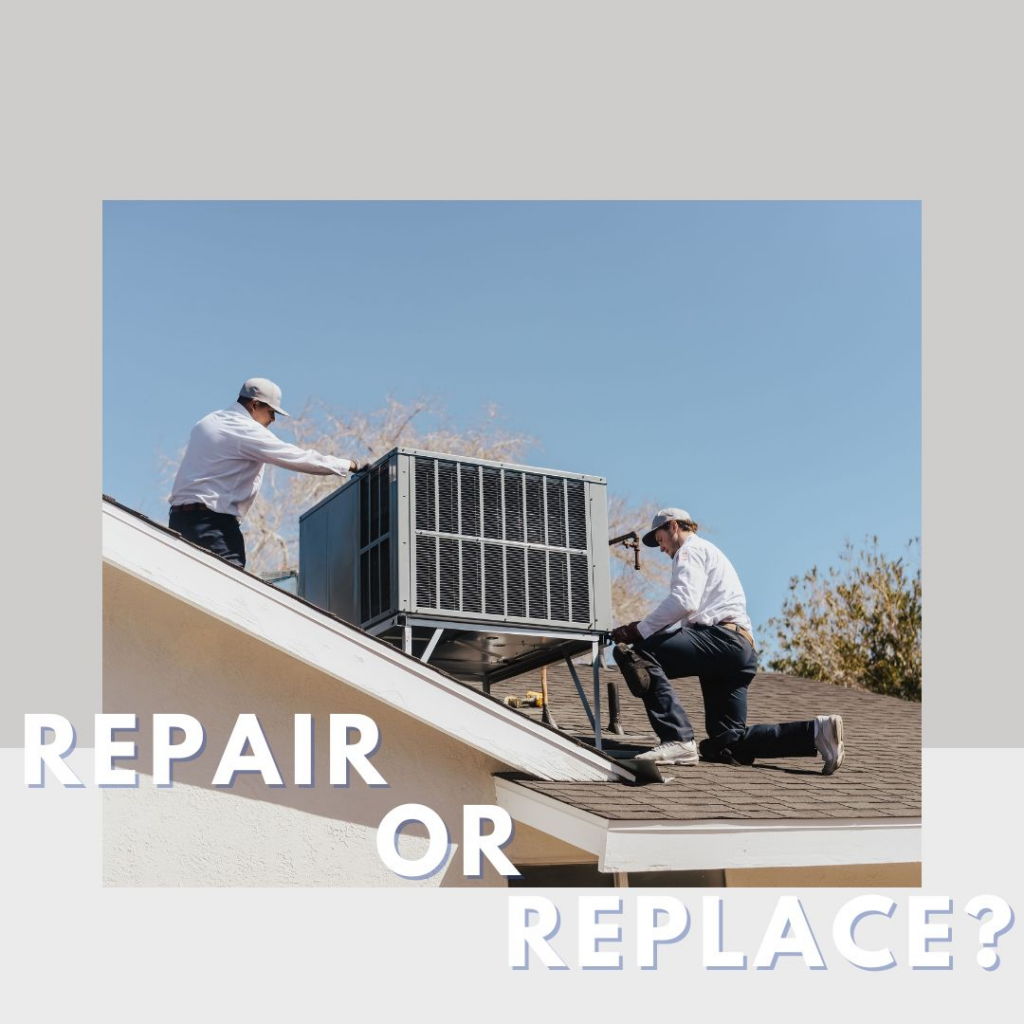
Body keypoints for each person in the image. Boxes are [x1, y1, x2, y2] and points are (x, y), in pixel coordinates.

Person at [610, 508, 845, 774]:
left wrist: (638, 630)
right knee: (727, 744)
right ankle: (817, 732)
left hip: (721, 638)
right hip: (738, 649)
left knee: (639, 655)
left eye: (660, 538)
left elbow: (684, 601)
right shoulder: (707, 552)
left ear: (673, 527)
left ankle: (677, 738)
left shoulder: (689, 550)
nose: (660, 547)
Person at [169, 378, 363, 568]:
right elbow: (297, 457)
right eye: (271, 412)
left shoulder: (209, 420)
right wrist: (349, 464)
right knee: (229, 586)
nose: (273, 419)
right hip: (214, 525)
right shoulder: (245, 429)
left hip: (179, 521)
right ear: (254, 405)